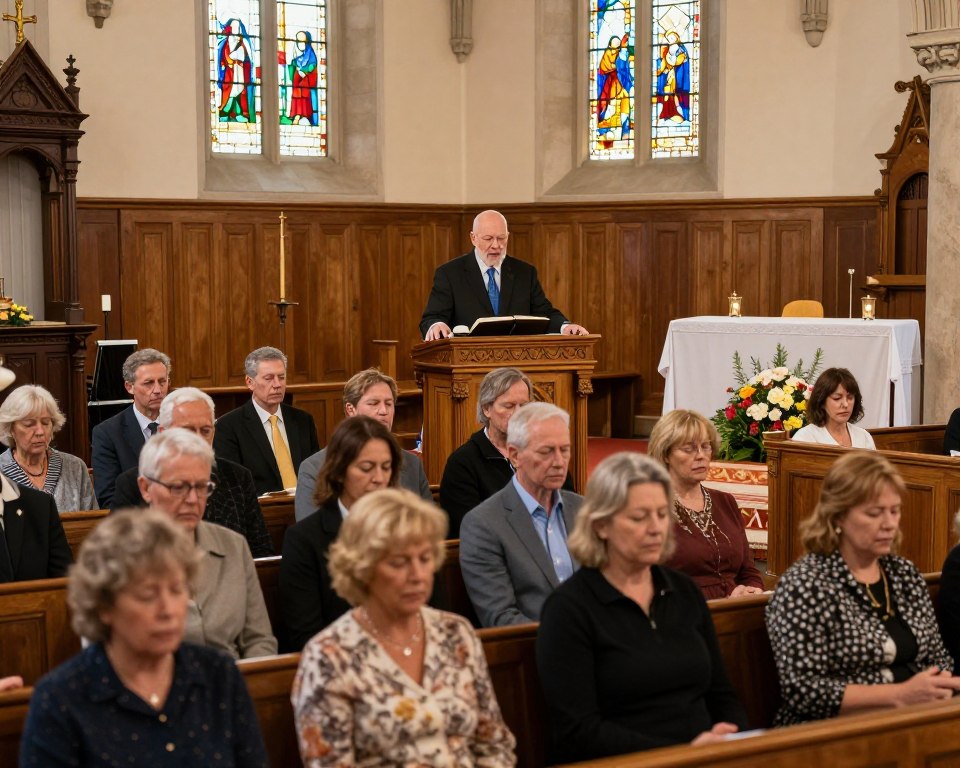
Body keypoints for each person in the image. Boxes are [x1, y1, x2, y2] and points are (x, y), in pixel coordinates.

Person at [536, 452, 746, 762]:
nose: (655, 528)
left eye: (662, 515)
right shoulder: (569, 609)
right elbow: (578, 731)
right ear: (601, 525)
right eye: (639, 517)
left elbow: (722, 693)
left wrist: (732, 735)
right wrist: (681, 753)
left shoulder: (682, 590)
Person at [19, 509, 268, 766]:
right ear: (104, 605)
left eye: (177, 590)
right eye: (148, 595)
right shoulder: (60, 700)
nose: (168, 610)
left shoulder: (219, 675)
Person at [292, 488, 516, 766]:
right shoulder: (329, 656)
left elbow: (494, 744)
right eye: (399, 563)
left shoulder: (456, 633)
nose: (418, 575)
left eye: (425, 559)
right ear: (363, 568)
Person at [766, 451, 958, 725]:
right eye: (874, 513)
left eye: (895, 511)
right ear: (838, 516)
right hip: (833, 733)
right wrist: (899, 694)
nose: (889, 524)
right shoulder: (806, 584)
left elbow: (939, 657)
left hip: (914, 719)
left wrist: (934, 689)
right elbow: (803, 689)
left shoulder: (904, 573)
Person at [138, 429, 277, 659]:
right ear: (146, 489)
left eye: (202, 487)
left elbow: (259, 639)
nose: (193, 499)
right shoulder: (120, 556)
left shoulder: (233, 545)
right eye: (178, 487)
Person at [280, 415, 401, 652]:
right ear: (338, 471)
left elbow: (433, 613)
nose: (378, 478)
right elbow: (306, 636)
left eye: (386, 468)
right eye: (366, 468)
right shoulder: (305, 540)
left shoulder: (406, 531)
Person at [459, 402, 584, 627]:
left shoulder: (584, 511)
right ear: (515, 456)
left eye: (564, 450)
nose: (559, 462)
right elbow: (500, 617)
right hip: (533, 651)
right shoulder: (484, 524)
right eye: (546, 451)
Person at [111, 387, 273, 557]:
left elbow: (261, 551)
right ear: (162, 433)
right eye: (187, 430)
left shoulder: (238, 477)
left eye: (205, 431)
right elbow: (118, 556)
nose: (198, 440)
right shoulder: (134, 483)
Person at [439, 367, 577, 537]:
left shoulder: (546, 452)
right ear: (486, 409)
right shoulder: (463, 462)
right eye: (509, 406)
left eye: (524, 406)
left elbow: (570, 511)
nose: (519, 413)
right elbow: (469, 528)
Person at [420, 209, 588, 340]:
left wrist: (565, 326)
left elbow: (544, 313)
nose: (496, 245)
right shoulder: (450, 274)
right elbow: (432, 318)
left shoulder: (524, 273)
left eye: (501, 238)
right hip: (469, 365)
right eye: (488, 238)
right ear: (473, 238)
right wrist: (437, 325)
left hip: (517, 364)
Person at [648, 409, 763, 599]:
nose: (700, 455)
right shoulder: (651, 506)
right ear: (665, 454)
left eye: (705, 446)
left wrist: (752, 589)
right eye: (689, 448)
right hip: (681, 613)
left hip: (734, 611)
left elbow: (748, 570)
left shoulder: (725, 501)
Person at [294, 367, 429, 521]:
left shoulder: (412, 464)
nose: (384, 411)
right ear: (350, 410)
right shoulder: (314, 468)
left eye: (389, 403)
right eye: (374, 403)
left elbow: (431, 528)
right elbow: (311, 536)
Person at [214, 346, 320, 495]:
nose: (277, 384)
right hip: (261, 512)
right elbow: (232, 486)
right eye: (269, 378)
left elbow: (315, 473)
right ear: (250, 382)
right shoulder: (228, 426)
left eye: (281, 377)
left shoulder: (303, 420)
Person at [91, 348, 171, 508]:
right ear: (129, 387)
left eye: (162, 382)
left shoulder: (182, 424)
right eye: (148, 383)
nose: (157, 390)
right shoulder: (108, 433)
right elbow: (109, 499)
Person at [0, 384, 97, 513]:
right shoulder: (2, 470)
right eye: (29, 424)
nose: (40, 431)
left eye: (46, 423)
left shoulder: (75, 467)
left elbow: (92, 524)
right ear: (11, 428)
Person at [792, 367, 876, 449]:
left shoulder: (864, 437)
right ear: (821, 401)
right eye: (837, 398)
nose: (845, 404)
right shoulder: (804, 438)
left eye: (850, 397)